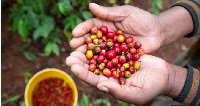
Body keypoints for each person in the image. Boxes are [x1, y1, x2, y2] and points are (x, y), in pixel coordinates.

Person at [66, 0, 200, 105]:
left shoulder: (119, 56)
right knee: (186, 62)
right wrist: (161, 27)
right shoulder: (118, 50)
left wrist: (174, 82)